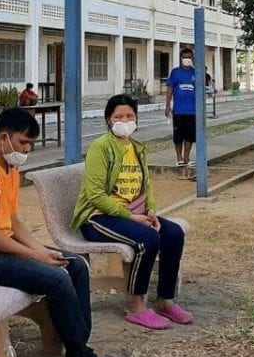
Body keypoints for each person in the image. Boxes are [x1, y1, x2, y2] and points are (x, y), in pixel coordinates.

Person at [0, 108, 133, 357]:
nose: (27, 150)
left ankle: (78, 345)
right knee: (57, 279)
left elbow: (12, 221)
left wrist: (41, 251)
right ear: (3, 138)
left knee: (76, 264)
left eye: (30, 144)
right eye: (23, 143)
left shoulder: (9, 168)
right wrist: (34, 256)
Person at [73, 95, 193, 330]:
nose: (124, 120)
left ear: (136, 117)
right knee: (147, 239)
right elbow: (96, 195)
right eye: (118, 116)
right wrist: (132, 218)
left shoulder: (137, 148)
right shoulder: (101, 147)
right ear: (109, 120)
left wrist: (151, 211)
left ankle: (164, 300)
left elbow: (146, 184)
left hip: (133, 213)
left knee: (174, 233)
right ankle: (135, 304)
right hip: (98, 218)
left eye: (129, 116)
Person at [165, 48, 197, 168]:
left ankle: (186, 158)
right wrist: (168, 105)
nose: (187, 60)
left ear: (193, 59)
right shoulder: (175, 72)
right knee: (178, 136)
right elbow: (170, 88)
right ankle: (178, 158)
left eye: (189, 57)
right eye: (185, 57)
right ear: (181, 58)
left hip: (192, 111)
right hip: (178, 111)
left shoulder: (195, 73)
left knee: (189, 136)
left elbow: (199, 90)